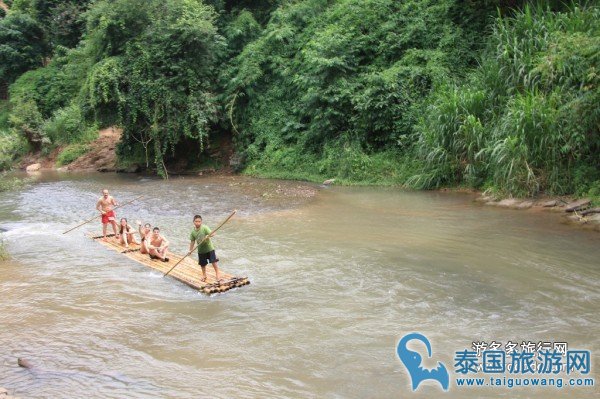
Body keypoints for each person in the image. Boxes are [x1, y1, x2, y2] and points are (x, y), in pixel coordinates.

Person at [189, 214, 222, 282]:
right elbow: (192, 241)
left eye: (199, 221)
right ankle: (204, 275)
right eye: (196, 221)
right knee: (202, 264)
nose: (198, 223)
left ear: (201, 222)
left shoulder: (204, 228)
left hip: (209, 248)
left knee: (213, 261)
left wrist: (208, 235)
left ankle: (217, 274)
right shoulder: (193, 232)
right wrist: (190, 250)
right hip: (201, 250)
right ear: (193, 222)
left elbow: (213, 233)